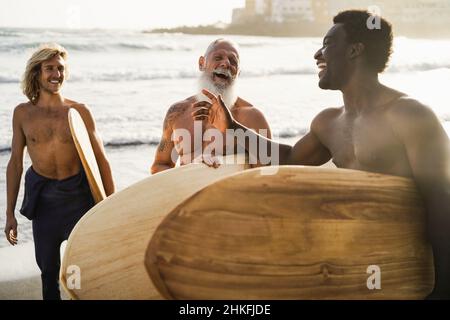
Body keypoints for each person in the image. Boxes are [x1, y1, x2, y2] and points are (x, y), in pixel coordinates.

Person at [193, 11, 450, 299]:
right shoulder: (328, 123)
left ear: (355, 50)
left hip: (410, 272)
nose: (318, 54)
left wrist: (442, 289)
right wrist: (233, 127)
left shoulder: (410, 115)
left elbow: (442, 203)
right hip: (359, 270)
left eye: (327, 44)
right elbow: (289, 160)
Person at [4, 43, 115, 300]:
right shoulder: (23, 113)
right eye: (49, 68)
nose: (56, 74)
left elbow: (101, 161)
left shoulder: (79, 112)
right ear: (37, 73)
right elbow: (16, 164)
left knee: (84, 270)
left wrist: (110, 206)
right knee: (48, 272)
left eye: (60, 68)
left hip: (79, 199)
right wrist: (9, 213)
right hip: (44, 204)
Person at [151, 39, 272, 173]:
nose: (226, 63)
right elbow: (160, 165)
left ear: (238, 72)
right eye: (218, 57)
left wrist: (222, 165)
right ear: (202, 63)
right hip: (189, 192)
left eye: (233, 61)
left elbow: (268, 174)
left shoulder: (252, 118)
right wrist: (194, 168)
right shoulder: (177, 113)